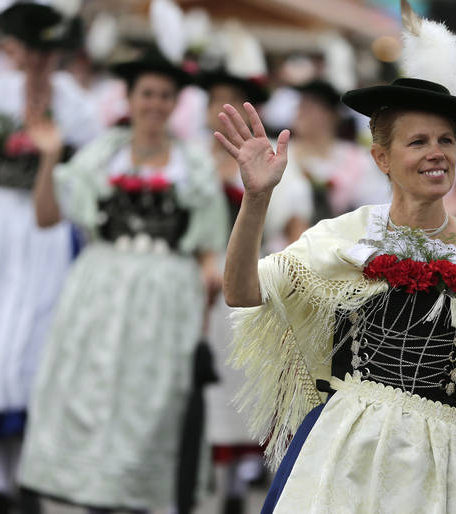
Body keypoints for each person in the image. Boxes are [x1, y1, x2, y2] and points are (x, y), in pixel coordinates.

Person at [217, 6, 456, 512]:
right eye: (417, 141)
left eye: (446, 140)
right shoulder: (348, 233)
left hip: (452, 472)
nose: (436, 153)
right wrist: (258, 199)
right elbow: (242, 292)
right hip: (348, 458)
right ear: (381, 158)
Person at [16, 45, 227, 512]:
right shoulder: (99, 157)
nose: (155, 104)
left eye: (165, 96)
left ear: (175, 104)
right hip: (101, 288)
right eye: (146, 94)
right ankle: (90, 491)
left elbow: (208, 250)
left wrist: (208, 295)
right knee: (93, 386)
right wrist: (50, 156)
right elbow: (47, 217)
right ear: (129, 100)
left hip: (166, 294)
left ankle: (138, 491)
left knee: (152, 396)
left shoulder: (192, 166)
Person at [0, 3, 98, 513]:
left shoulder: (75, 104)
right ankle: (1, 480)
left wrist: (53, 159)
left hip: (49, 228)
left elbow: (90, 173)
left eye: (47, 53)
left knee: (39, 335)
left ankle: (30, 473)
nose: (37, 62)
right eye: (30, 51)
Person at [198, 50, 313, 514]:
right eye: (214, 100)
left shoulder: (273, 160)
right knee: (215, 383)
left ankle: (269, 482)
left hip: (254, 277)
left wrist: (290, 270)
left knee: (261, 378)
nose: (218, 109)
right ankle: (223, 486)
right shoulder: (191, 161)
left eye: (230, 101)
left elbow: (296, 226)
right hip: (203, 290)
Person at [289, 78, 389, 223]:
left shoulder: (358, 159)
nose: (302, 112)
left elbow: (375, 208)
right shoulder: (279, 154)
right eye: (301, 105)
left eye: (311, 106)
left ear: (332, 115)